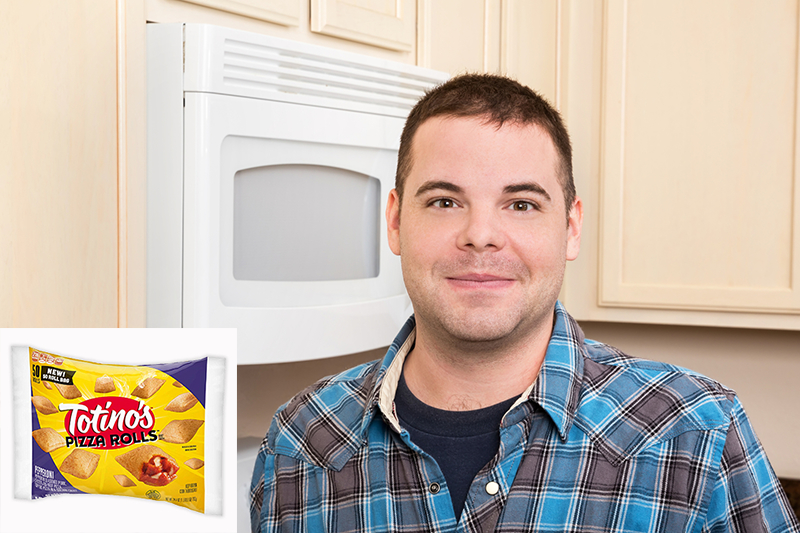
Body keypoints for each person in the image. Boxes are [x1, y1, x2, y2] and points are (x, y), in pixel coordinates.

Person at [250, 74, 800, 532]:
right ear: (396, 220)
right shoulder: (301, 441)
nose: (481, 235)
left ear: (571, 227)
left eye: (520, 203)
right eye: (444, 201)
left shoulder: (697, 434)